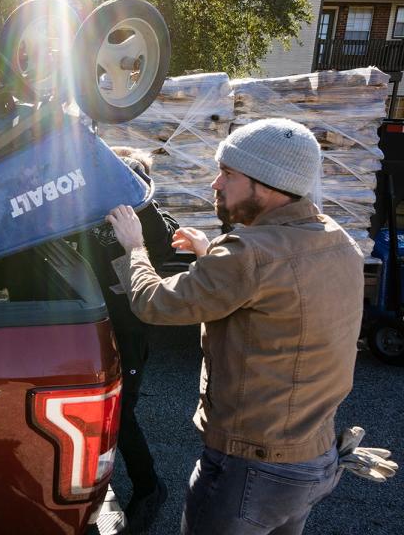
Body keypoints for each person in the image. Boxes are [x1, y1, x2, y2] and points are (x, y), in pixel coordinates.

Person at [105, 118, 362, 535]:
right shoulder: (337, 240)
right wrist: (209, 255)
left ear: (268, 185)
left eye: (227, 173)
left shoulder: (249, 255)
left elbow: (154, 304)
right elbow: (273, 302)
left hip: (251, 472)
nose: (214, 184)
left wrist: (134, 247)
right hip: (312, 463)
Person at [76, 146, 176, 533]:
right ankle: (96, 482)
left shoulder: (143, 215)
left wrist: (134, 196)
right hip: (95, 321)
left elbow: (156, 244)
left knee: (121, 414)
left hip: (128, 328)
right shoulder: (88, 200)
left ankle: (150, 488)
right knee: (97, 411)